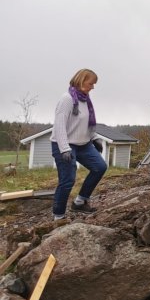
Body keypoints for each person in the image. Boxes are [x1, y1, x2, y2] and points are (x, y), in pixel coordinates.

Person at [50, 68, 107, 220]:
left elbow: (87, 122)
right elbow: (59, 125)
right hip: (64, 145)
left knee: (100, 167)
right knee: (68, 179)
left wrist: (94, 138)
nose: (93, 87)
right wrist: (64, 149)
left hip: (84, 144)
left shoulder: (85, 99)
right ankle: (58, 216)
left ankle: (80, 202)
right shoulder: (67, 99)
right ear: (81, 80)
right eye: (91, 83)